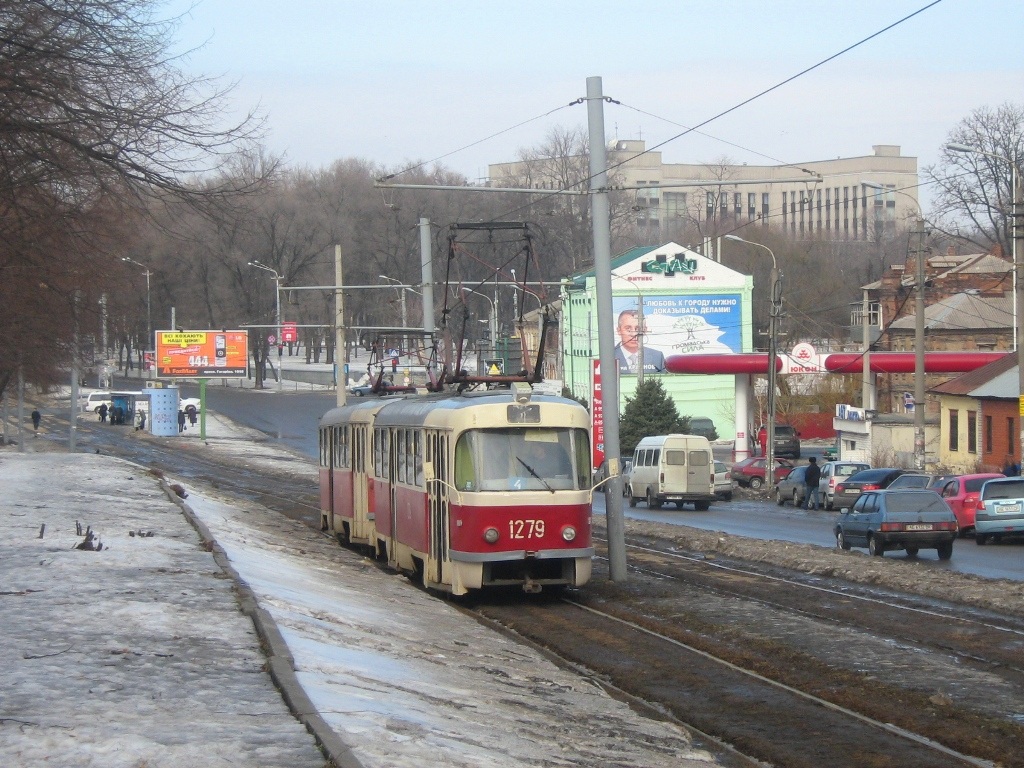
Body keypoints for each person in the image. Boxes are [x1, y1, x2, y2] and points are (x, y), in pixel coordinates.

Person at [613, 309, 666, 374]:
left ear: (645, 330)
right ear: (619, 331)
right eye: (628, 329)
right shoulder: (609, 356)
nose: (633, 334)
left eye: (638, 329)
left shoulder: (657, 356)